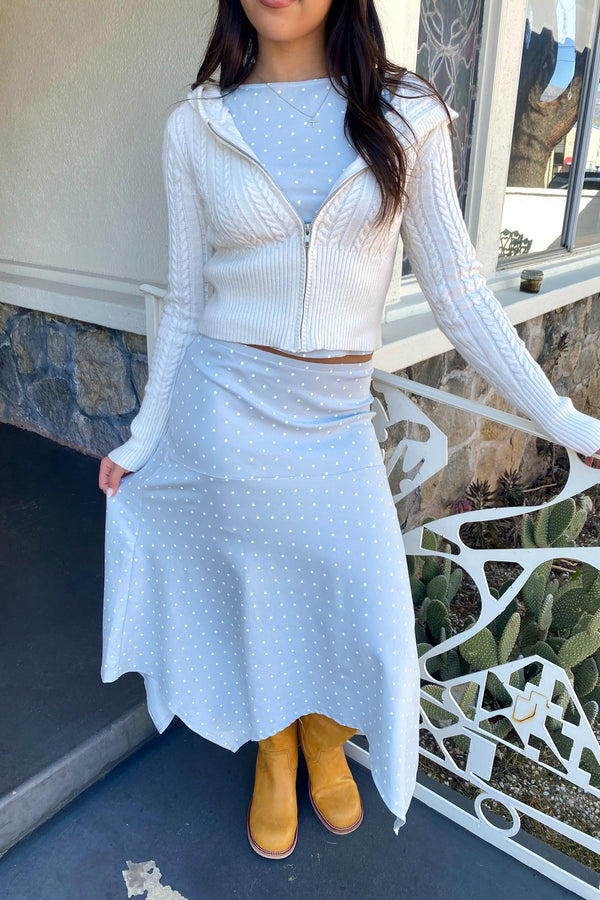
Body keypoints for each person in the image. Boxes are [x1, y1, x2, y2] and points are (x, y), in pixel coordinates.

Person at [98, 0, 600, 860]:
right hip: (222, 414)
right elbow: (184, 299)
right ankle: (275, 747)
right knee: (250, 596)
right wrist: (144, 437)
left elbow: (460, 289)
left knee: (356, 604)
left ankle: (326, 737)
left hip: (332, 423)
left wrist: (558, 414)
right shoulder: (196, 124)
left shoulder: (408, 114)